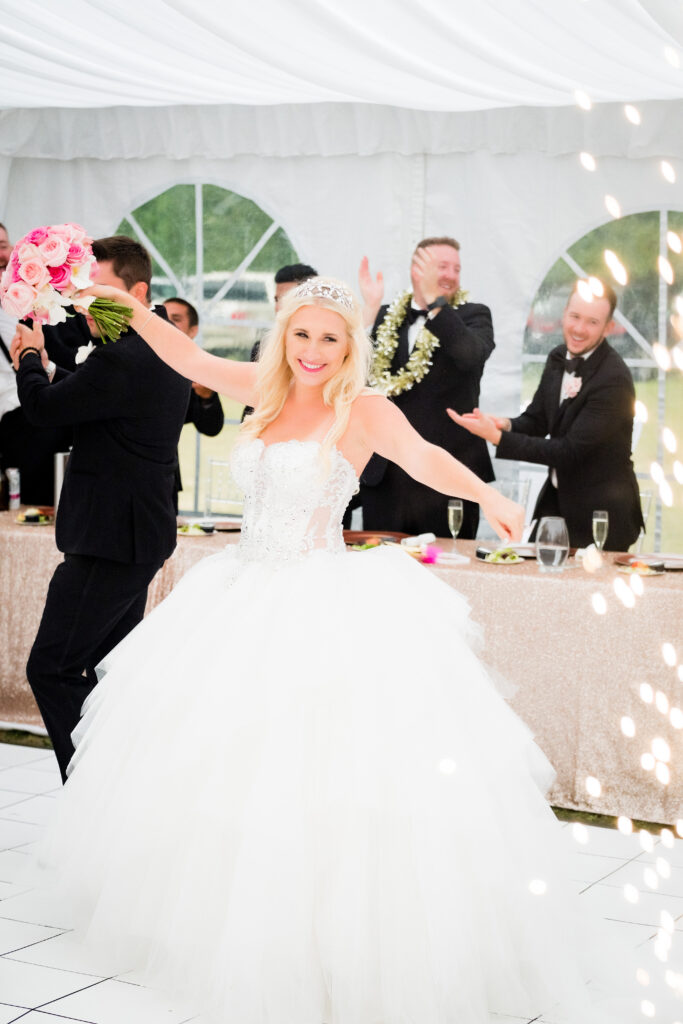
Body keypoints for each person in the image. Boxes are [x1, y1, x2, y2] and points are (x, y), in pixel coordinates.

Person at [25, 274, 632, 1024]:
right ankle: (213, 923)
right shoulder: (265, 386)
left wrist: (490, 497)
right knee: (215, 765)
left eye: (329, 338)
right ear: (285, 335)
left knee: (321, 776)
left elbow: (423, 460)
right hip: (238, 593)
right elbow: (185, 357)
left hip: (319, 596)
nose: (312, 351)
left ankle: (324, 943)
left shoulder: (360, 408)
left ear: (349, 347)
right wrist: (113, 304)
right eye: (302, 334)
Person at [10, 236, 191, 781]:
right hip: (135, 537)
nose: (84, 305)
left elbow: (43, 409)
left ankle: (94, 786)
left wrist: (29, 358)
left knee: (53, 667)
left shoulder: (123, 357)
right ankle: (121, 785)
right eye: (82, 293)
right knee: (110, 672)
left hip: (108, 540)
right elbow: (96, 399)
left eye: (101, 293)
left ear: (137, 291)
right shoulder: (162, 344)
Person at [449, 279, 643, 550]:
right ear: (564, 313)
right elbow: (538, 420)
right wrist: (504, 425)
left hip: (602, 514)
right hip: (557, 504)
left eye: (592, 322)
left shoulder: (614, 379)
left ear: (608, 327)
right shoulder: (557, 357)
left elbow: (569, 452)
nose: (578, 329)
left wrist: (496, 438)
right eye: (574, 316)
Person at [354, 237, 495, 538]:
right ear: (415, 270)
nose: (450, 275)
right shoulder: (386, 317)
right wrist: (370, 309)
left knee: (444, 571)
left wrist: (437, 307)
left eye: (456, 269)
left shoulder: (475, 315)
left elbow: (470, 356)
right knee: (381, 570)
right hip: (386, 478)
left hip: (448, 479)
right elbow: (351, 368)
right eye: (441, 266)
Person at [0, 222, 72, 504]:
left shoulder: (33, 301)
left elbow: (64, 357)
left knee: (31, 508)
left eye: (3, 246)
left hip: (26, 420)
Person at [163, 296, 224, 510]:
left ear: (193, 331)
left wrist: (207, 395)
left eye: (176, 319)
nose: (167, 322)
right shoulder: (129, 354)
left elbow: (211, 427)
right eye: (162, 316)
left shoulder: (198, 367)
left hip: (164, 479)